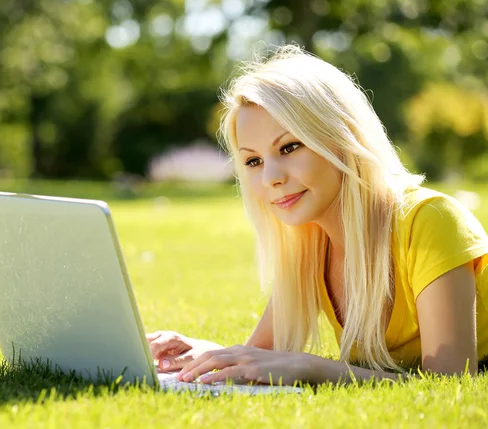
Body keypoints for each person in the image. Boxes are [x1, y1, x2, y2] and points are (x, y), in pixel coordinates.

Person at [146, 44, 488, 386]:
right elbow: (262, 356)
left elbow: (450, 381)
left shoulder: (432, 220)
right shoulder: (308, 242)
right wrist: (209, 354)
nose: (271, 178)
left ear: (340, 138)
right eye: (253, 161)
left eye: (289, 147)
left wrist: (315, 368)